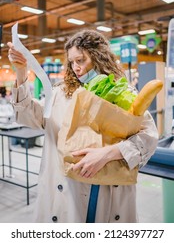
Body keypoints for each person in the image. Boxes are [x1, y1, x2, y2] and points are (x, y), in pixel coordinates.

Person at [7, 29, 158, 223]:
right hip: (68, 190)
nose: (75, 67)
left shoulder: (123, 91)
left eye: (81, 60)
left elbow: (149, 135)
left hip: (108, 190)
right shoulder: (61, 94)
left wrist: (109, 153)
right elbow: (29, 115)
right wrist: (20, 72)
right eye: (72, 62)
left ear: (98, 57)